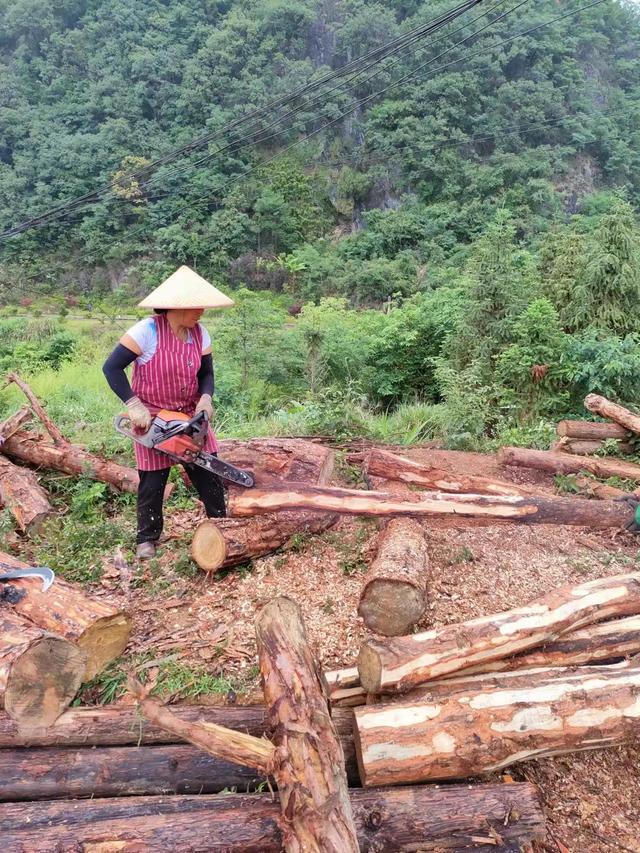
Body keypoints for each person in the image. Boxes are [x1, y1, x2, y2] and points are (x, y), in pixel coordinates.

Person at [103, 265, 234, 559]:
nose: (201, 311)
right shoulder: (146, 331)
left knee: (207, 469)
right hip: (152, 419)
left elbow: (207, 374)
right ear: (176, 306)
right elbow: (111, 368)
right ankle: (146, 537)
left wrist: (206, 399)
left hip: (189, 414)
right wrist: (133, 404)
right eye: (195, 306)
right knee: (152, 479)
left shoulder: (201, 334)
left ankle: (222, 524)